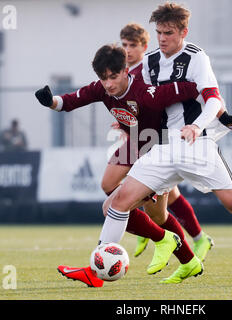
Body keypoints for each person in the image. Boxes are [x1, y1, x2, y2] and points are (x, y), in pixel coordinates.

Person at [100, 2, 232, 285]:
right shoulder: (150, 62)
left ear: (183, 32)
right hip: (164, 147)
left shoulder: (197, 57)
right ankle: (98, 271)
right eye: (159, 33)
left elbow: (213, 98)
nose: (162, 38)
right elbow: (144, 101)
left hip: (197, 146)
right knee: (113, 204)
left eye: (168, 33)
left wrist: (198, 125)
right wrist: (130, 121)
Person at [35, 44, 217, 287]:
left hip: (161, 155)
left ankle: (158, 244)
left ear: (125, 71)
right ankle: (186, 258)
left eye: (113, 77)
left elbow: (194, 89)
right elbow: (70, 101)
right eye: (103, 78)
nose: (108, 84)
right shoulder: (102, 89)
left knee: (121, 208)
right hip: (139, 146)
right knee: (132, 202)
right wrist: (51, 101)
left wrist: (218, 110)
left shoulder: (144, 91)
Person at [106, 23, 216, 261]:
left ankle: (190, 242)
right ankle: (151, 227)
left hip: (157, 139)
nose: (127, 50)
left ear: (145, 47)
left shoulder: (151, 67)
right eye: (123, 45)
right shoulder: (125, 72)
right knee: (109, 185)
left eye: (132, 45)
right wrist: (123, 119)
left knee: (161, 202)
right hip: (139, 138)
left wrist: (218, 115)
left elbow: (178, 95)